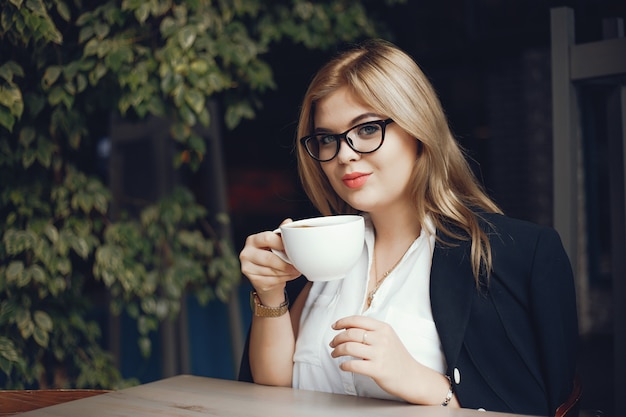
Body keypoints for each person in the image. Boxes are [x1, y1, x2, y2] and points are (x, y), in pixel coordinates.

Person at [238, 39, 578, 416]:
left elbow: (538, 407)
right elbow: (273, 392)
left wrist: (429, 386)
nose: (345, 154)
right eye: (327, 139)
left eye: (366, 129)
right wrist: (270, 295)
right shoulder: (312, 254)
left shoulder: (513, 256)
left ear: (418, 129)